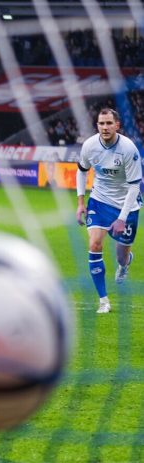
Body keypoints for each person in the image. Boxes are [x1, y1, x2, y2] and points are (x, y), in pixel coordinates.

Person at [76, 108, 142, 314]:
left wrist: (122, 218)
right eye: (101, 123)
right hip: (100, 200)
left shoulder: (128, 149)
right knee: (94, 244)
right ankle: (103, 300)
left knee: (121, 256)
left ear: (117, 125)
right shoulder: (89, 146)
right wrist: (80, 202)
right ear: (97, 125)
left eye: (109, 123)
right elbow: (81, 171)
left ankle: (125, 264)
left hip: (127, 205)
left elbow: (134, 186)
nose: (105, 127)